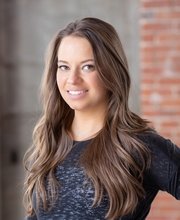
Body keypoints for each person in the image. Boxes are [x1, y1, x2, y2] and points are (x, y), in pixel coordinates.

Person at [23, 17, 180, 220]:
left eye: (88, 66)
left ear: (111, 70)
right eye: (64, 67)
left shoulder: (138, 146)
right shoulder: (50, 142)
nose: (72, 79)